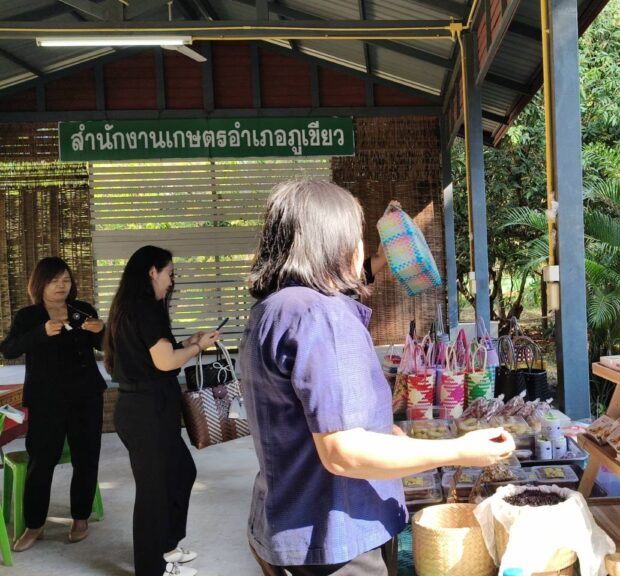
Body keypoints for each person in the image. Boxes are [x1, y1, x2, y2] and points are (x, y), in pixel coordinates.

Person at [241, 179, 514, 576]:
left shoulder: (274, 308)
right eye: (358, 235)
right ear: (337, 243)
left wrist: (383, 432)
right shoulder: (322, 316)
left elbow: (303, 419)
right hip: (335, 535)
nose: (361, 246)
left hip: (286, 521)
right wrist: (459, 450)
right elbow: (344, 452)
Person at [104, 245, 220, 576]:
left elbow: (154, 356)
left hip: (148, 409)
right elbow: (165, 362)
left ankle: (166, 546)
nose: (172, 281)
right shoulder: (145, 308)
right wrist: (198, 348)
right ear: (152, 271)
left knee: (181, 473)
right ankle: (152, 568)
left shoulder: (132, 307)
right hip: (146, 413)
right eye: (169, 273)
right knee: (154, 492)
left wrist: (187, 344)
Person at [0, 257, 106, 551]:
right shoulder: (28, 316)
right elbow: (8, 350)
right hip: (46, 400)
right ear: (40, 284)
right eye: (54, 280)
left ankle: (80, 518)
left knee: (86, 458)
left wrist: (101, 329)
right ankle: (35, 525)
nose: (62, 285)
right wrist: (40, 333)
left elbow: (104, 344)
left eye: (66, 280)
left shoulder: (82, 310)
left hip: (86, 397)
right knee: (41, 461)